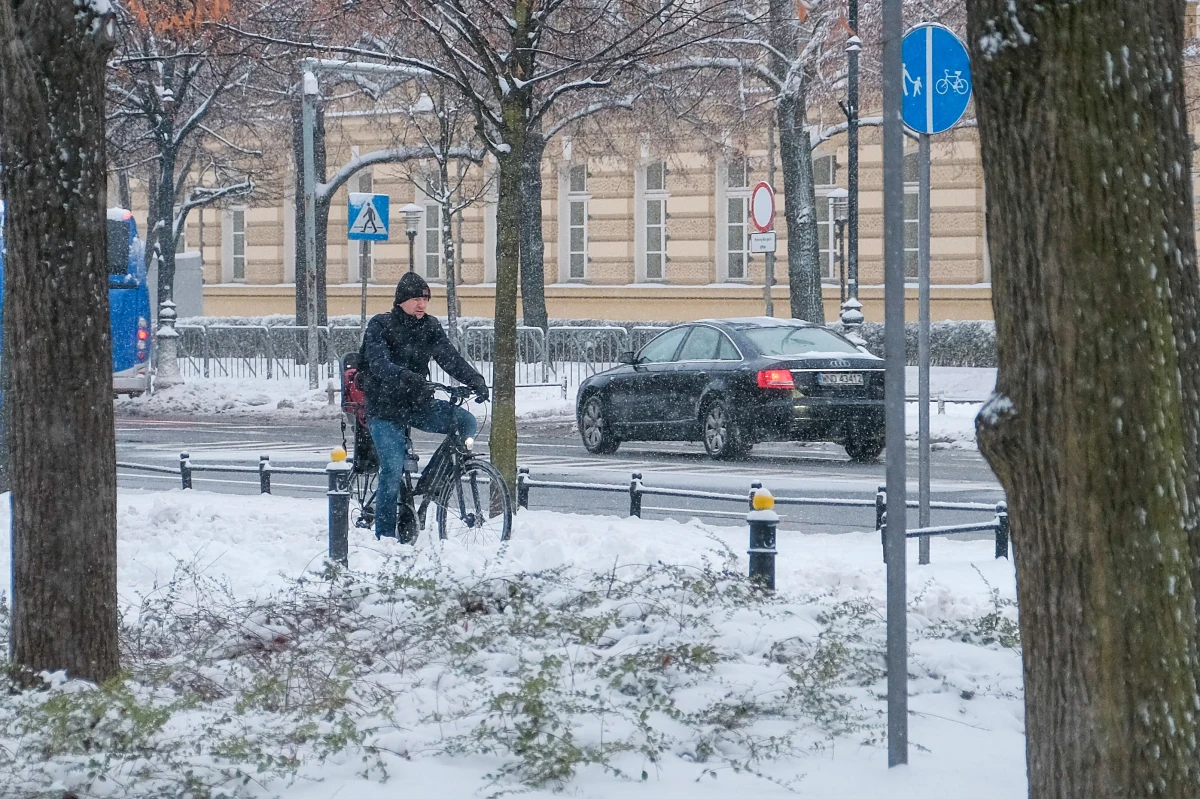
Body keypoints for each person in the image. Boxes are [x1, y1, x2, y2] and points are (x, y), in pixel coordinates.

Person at [362, 272, 489, 541]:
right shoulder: (380, 325)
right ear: (401, 301)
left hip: (417, 404)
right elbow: (378, 362)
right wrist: (403, 375)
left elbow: (449, 357)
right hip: (384, 410)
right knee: (393, 469)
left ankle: (431, 483)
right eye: (416, 299)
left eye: (426, 299)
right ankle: (384, 537)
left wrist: (474, 379)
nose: (422, 304)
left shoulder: (429, 326)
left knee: (465, 422)